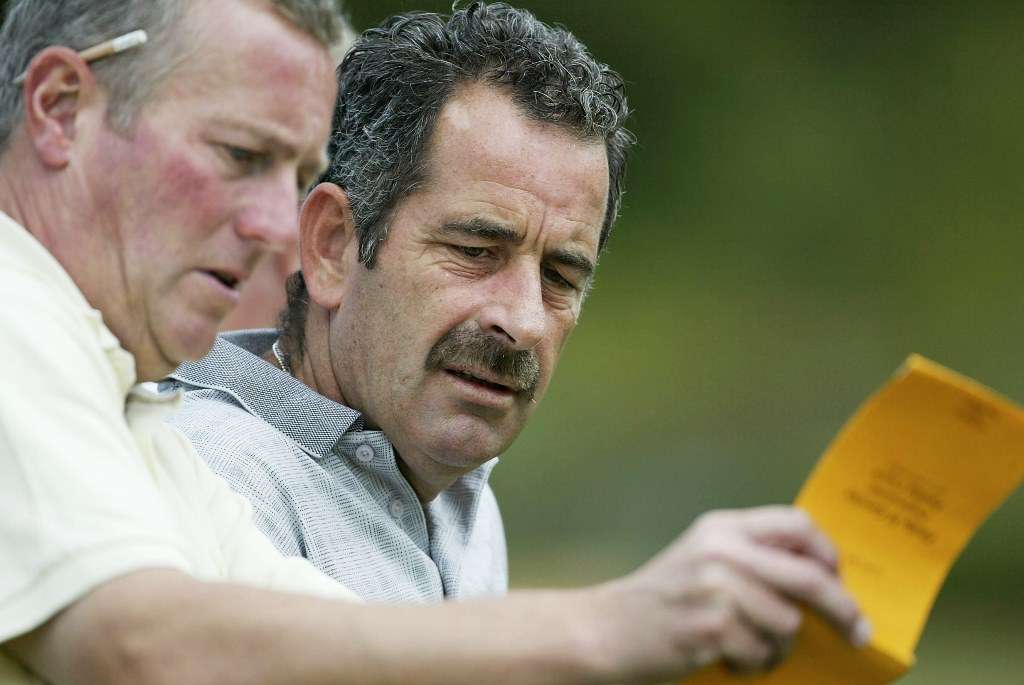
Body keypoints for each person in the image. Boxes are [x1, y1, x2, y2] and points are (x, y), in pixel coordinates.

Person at [0, 1, 868, 683]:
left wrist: (674, 632)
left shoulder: (139, 417)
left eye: (562, 275)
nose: (273, 227)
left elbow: (358, 646)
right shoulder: (18, 321)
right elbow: (139, 648)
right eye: (238, 154)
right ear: (59, 108)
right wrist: (612, 624)